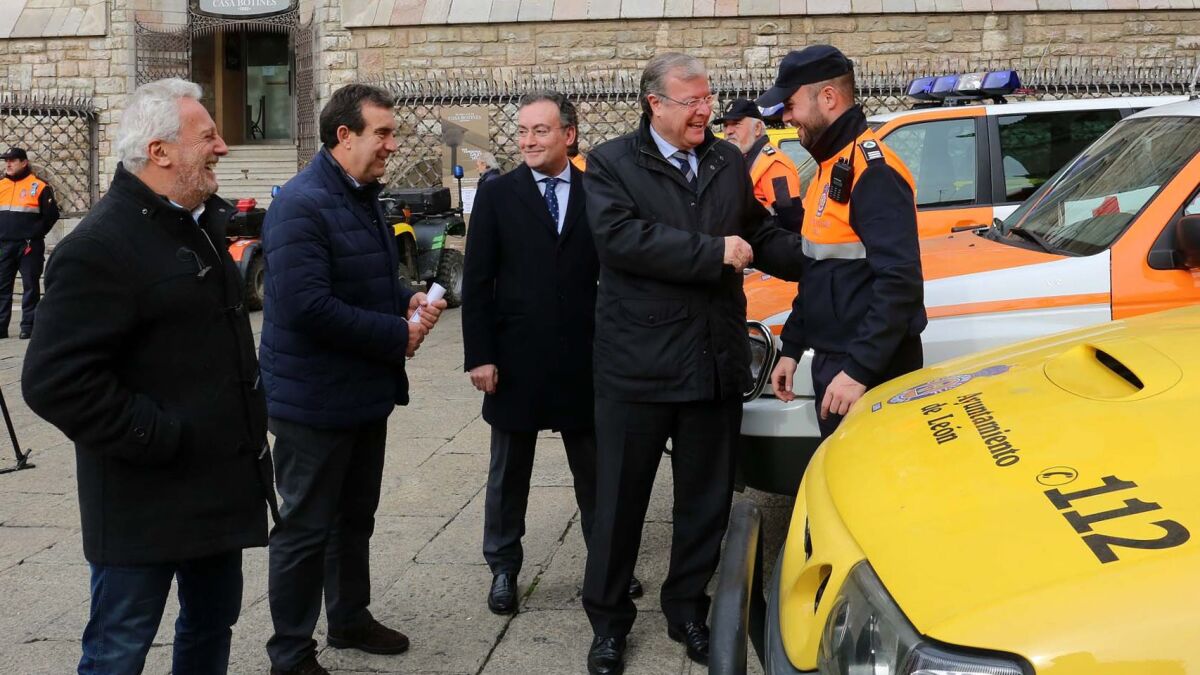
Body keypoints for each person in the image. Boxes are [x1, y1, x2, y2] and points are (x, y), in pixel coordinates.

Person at [21, 78, 273, 674]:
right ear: (159, 151)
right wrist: (160, 436)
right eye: (208, 136)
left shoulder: (198, 225)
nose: (222, 147)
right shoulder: (99, 245)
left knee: (210, 629)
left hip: (215, 491)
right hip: (143, 502)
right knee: (118, 651)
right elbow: (55, 380)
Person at [580, 52, 805, 675]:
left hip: (712, 360)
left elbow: (756, 232)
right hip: (638, 367)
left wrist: (816, 255)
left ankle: (687, 610)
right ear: (655, 104)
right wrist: (712, 253)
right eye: (692, 101)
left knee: (705, 504)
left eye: (709, 98)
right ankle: (608, 623)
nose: (706, 111)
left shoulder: (727, 160)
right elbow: (620, 240)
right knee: (618, 505)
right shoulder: (611, 163)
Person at [260, 83, 447, 675]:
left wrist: (404, 296)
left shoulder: (360, 194)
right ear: (344, 135)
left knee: (353, 518)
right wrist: (397, 335)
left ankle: (348, 618)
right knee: (305, 528)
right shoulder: (301, 204)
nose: (393, 144)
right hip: (312, 401)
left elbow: (362, 278)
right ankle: (291, 651)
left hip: (361, 394)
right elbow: (307, 306)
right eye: (382, 133)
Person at [462, 91, 642, 617]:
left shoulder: (597, 192)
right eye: (522, 131)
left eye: (540, 131)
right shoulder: (498, 195)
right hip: (515, 360)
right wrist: (480, 355)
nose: (528, 141)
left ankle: (608, 565)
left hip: (585, 359)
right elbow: (478, 281)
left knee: (597, 473)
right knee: (508, 473)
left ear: (569, 134)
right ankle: (503, 568)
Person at [760, 45, 926, 438]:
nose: (786, 117)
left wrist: (858, 370)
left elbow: (900, 283)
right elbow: (817, 271)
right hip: (841, 365)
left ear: (828, 98)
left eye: (791, 105)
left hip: (870, 373)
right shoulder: (830, 165)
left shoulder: (873, 172)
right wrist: (792, 348)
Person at [714, 98, 802, 231]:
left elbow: (792, 221)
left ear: (757, 128)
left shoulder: (774, 165)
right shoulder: (741, 159)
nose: (728, 131)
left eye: (736, 124)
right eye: (726, 125)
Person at [0, 146, 59, 339]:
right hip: (4, 245)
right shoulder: (1, 185)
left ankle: (28, 326)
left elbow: (51, 215)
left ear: (24, 162)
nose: (8, 164)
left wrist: (35, 234)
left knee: (30, 286)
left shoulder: (39, 186)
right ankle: (1, 327)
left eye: (12, 160)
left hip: (29, 246)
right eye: (6, 160)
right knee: (2, 287)